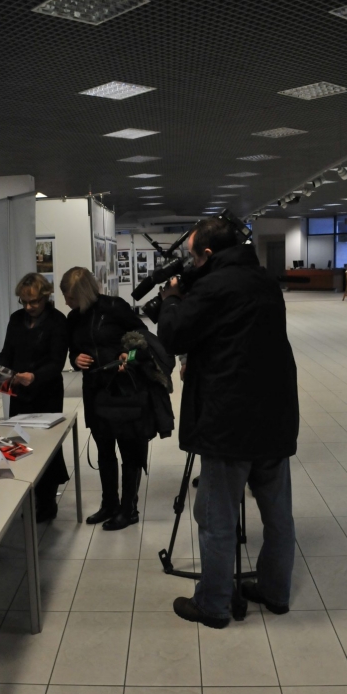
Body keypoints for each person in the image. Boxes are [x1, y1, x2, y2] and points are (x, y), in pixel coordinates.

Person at [157, 216, 299, 629]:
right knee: (278, 516)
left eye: (193, 257)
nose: (190, 264)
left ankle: (214, 604)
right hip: (275, 416)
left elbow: (173, 336)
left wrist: (172, 298)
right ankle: (275, 591)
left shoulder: (214, 286)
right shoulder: (264, 280)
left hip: (229, 421)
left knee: (216, 518)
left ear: (207, 253)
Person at [61, 266, 150, 531]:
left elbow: (143, 340)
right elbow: (73, 351)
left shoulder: (115, 307)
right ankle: (109, 503)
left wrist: (128, 357)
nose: (66, 302)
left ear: (83, 293)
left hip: (122, 390)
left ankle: (129, 509)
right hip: (94, 389)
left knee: (128, 449)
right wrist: (75, 360)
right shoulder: (73, 318)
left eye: (70, 297)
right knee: (104, 449)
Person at [0, 272, 69, 522]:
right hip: (19, 392)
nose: (28, 307)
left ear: (45, 297)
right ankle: (27, 496)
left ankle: (47, 501)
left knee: (46, 447)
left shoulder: (57, 321)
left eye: (34, 302)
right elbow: (7, 352)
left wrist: (35, 377)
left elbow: (57, 362)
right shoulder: (17, 319)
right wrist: (0, 372)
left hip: (47, 392)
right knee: (20, 444)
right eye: (24, 302)